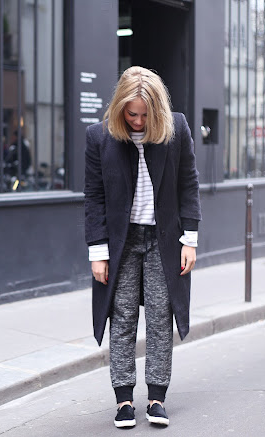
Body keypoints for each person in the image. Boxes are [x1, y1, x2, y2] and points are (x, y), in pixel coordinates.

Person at [83, 66, 201, 429]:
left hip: (163, 240)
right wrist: (97, 251)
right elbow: (94, 197)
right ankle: (123, 401)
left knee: (161, 318)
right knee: (122, 318)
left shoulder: (176, 129)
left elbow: (188, 185)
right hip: (122, 242)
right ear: (120, 107)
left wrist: (190, 240)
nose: (137, 121)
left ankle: (156, 399)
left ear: (157, 111)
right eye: (131, 114)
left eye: (145, 115)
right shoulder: (100, 136)